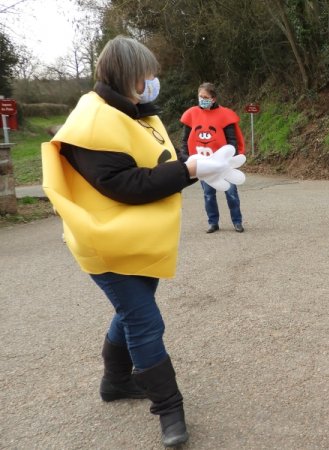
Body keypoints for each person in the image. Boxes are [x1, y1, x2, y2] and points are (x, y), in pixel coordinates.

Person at [41, 36, 245, 448]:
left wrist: (197, 169)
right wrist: (189, 170)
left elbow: (155, 167)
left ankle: (115, 382)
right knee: (144, 321)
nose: (152, 82)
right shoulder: (92, 120)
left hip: (135, 239)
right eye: (146, 75)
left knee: (129, 314)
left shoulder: (132, 113)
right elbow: (124, 184)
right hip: (106, 242)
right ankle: (169, 409)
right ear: (125, 75)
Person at [180, 82, 246, 233]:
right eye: (200, 96)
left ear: (213, 98)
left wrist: (230, 159)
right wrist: (186, 156)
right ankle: (213, 222)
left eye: (206, 97)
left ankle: (237, 221)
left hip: (223, 164)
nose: (202, 99)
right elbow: (185, 139)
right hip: (204, 164)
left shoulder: (225, 115)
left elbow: (232, 141)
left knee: (231, 193)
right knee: (208, 194)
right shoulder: (192, 114)